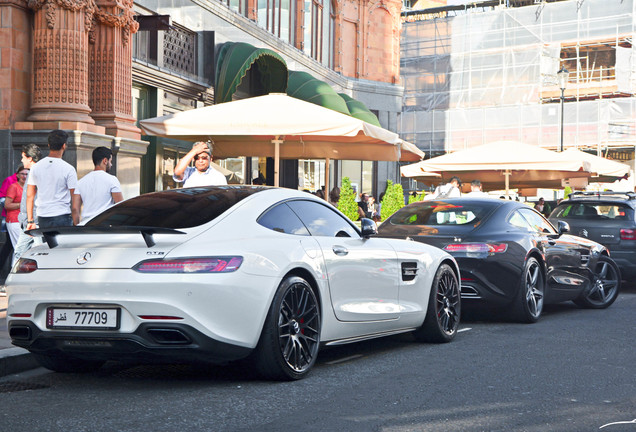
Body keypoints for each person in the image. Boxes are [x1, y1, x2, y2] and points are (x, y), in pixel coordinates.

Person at [26, 130, 78, 230]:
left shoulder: (36, 167)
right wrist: (76, 221)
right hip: (62, 215)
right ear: (64, 145)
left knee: (48, 245)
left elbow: (29, 195)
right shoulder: (69, 169)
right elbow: (75, 198)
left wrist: (30, 220)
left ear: (49, 145)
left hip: (43, 216)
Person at [72, 146, 124, 225]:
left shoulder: (81, 182)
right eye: (110, 161)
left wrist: (77, 227)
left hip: (85, 225)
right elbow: (120, 206)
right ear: (105, 161)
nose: (111, 164)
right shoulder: (112, 180)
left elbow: (75, 209)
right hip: (105, 225)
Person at [12, 143, 43, 265]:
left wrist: (32, 221)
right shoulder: (32, 172)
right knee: (20, 252)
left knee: (40, 253)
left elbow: (33, 197)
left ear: (30, 158)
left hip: (33, 221)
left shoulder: (37, 172)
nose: (21, 160)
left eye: (23, 157)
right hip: (27, 221)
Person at [4, 166, 28, 247]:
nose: (24, 176)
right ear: (17, 175)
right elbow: (7, 205)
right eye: (22, 174)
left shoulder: (29, 187)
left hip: (25, 221)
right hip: (14, 220)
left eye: (27, 174)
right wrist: (22, 205)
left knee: (22, 248)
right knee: (20, 247)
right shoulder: (14, 187)